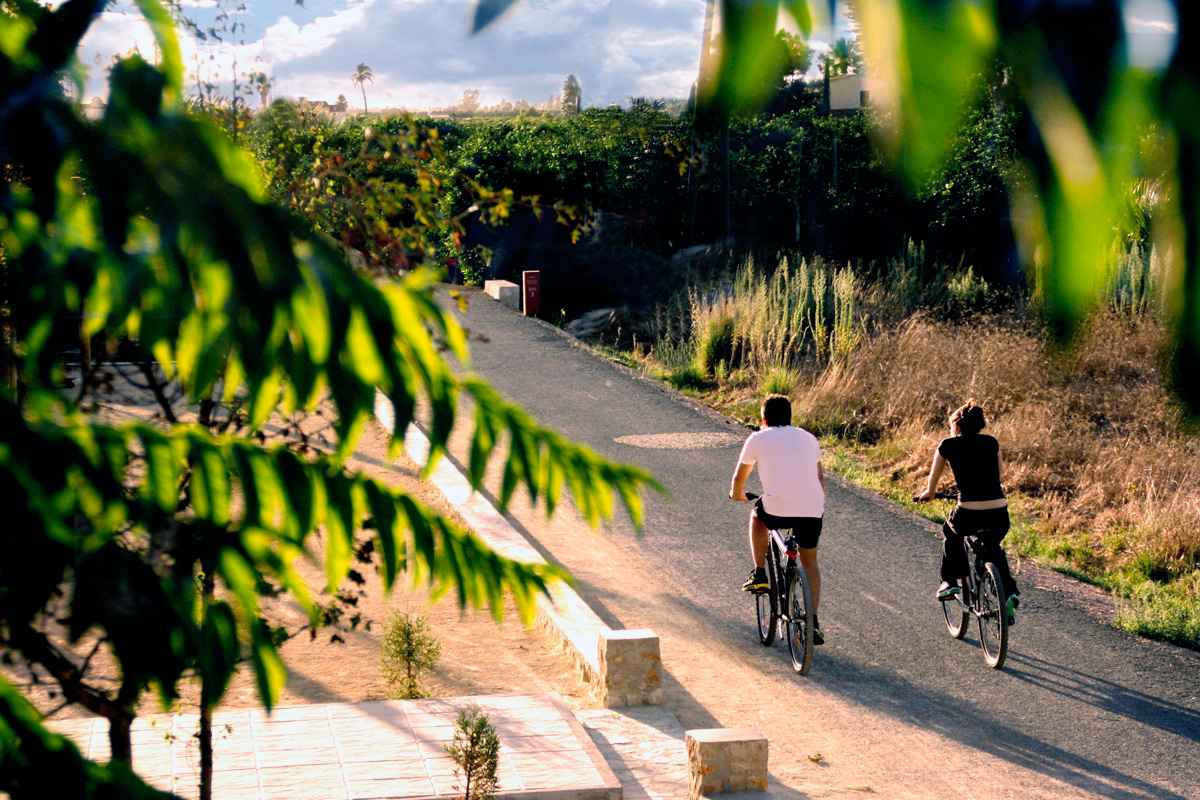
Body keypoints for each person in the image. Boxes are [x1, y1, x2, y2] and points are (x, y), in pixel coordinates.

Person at [729, 394, 826, 644]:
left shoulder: (757, 438)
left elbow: (740, 479)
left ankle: (760, 573)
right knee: (810, 562)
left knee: (757, 517)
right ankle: (812, 621)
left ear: (764, 419)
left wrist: (737, 495)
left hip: (777, 507)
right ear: (790, 417)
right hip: (813, 507)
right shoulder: (808, 438)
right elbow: (819, 478)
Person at [914, 400, 1021, 622]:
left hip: (969, 510)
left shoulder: (947, 445)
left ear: (957, 425)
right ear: (981, 424)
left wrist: (929, 493)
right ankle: (1008, 593)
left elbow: (932, 481)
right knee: (991, 547)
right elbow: (1000, 474)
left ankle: (950, 582)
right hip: (999, 510)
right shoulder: (992, 443)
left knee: (951, 532)